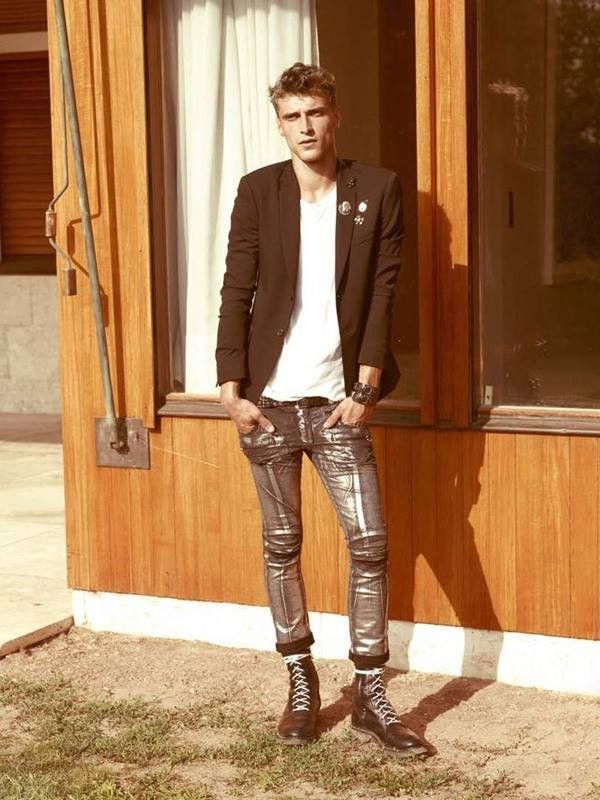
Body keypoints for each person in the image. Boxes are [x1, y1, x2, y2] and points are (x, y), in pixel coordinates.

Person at [215, 62, 428, 758]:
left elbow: (385, 290)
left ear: (334, 116)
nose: (305, 127)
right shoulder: (259, 191)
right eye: (292, 116)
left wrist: (366, 387)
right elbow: (236, 288)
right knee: (282, 545)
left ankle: (369, 691)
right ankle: (300, 680)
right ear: (280, 124)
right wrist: (231, 386)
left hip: (339, 407)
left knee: (369, 544)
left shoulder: (376, 189)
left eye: (314, 113)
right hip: (270, 408)